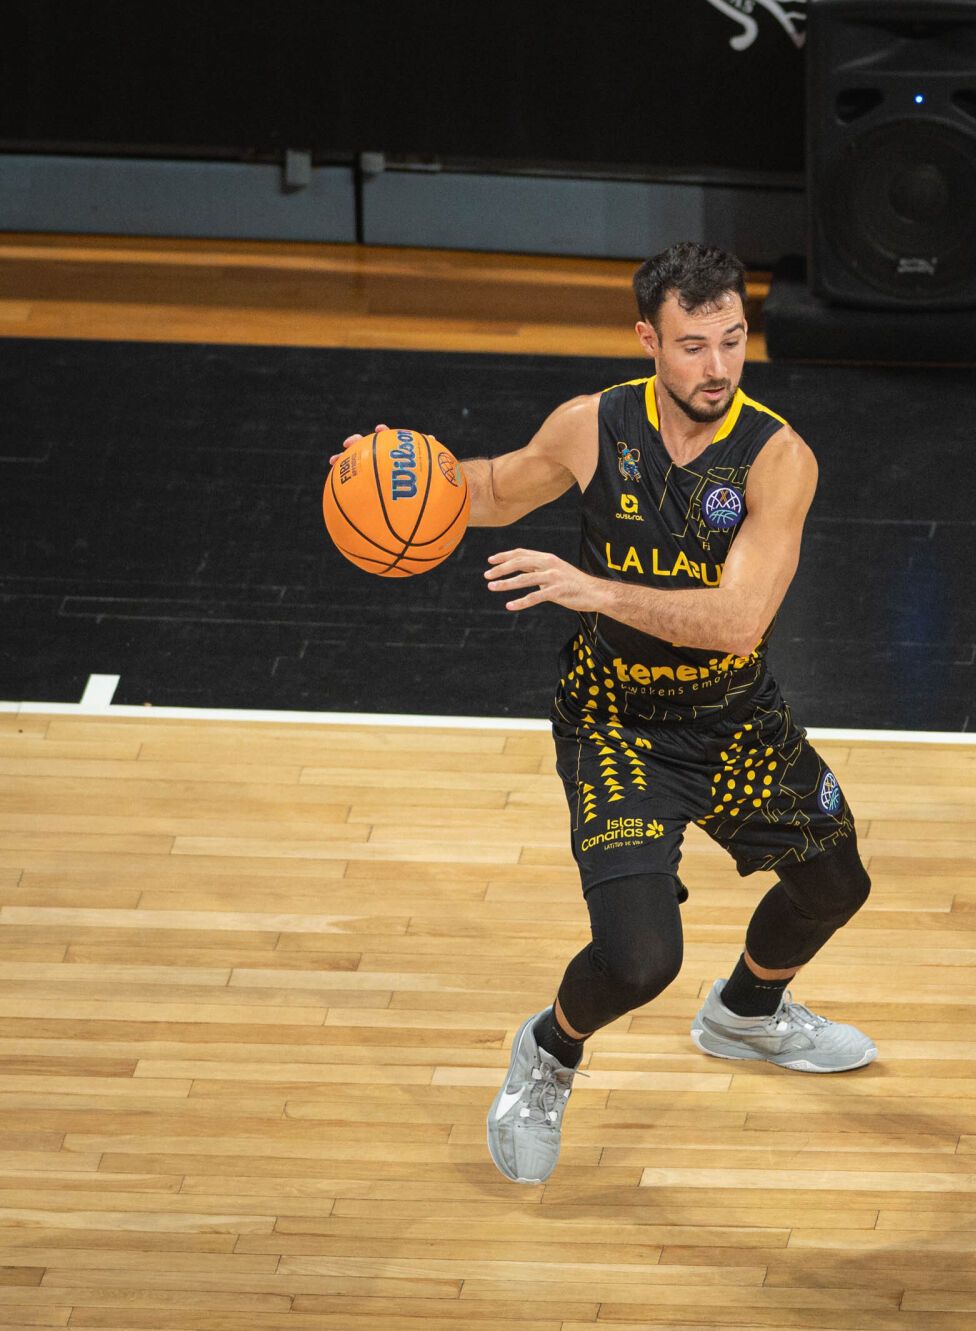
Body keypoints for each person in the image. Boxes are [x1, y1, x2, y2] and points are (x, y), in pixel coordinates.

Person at [332, 242, 876, 1187]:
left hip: (732, 716)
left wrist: (593, 588)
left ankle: (747, 1012)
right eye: (693, 345)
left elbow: (740, 623)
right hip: (616, 725)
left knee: (837, 886)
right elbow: (495, 488)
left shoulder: (779, 458)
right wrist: (398, 472)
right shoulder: (593, 426)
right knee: (637, 961)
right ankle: (549, 1052)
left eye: (733, 341)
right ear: (648, 341)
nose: (717, 367)